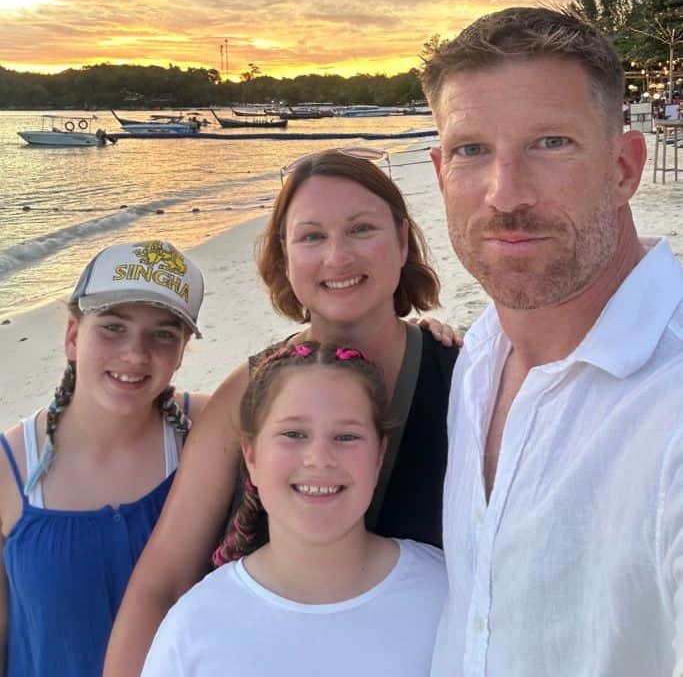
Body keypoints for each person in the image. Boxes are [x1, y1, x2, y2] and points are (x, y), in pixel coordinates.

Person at [104, 150, 458, 676]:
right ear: (285, 258)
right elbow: (163, 580)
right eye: (311, 236)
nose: (337, 257)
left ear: (403, 241)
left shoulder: (464, 378)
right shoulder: (246, 394)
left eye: (361, 229)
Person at [421, 6, 683, 676]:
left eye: (550, 142)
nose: (505, 194)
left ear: (623, 168)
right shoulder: (480, 354)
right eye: (471, 150)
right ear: (440, 172)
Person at [141, 340, 447, 677]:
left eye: (346, 437)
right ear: (251, 457)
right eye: (294, 434)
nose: (319, 458)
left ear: (378, 457)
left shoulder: (447, 594)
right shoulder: (194, 626)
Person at [0, 239, 209, 677]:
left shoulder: (207, 430)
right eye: (113, 327)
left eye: (163, 334)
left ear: (181, 351)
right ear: (73, 337)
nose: (135, 354)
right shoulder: (9, 466)